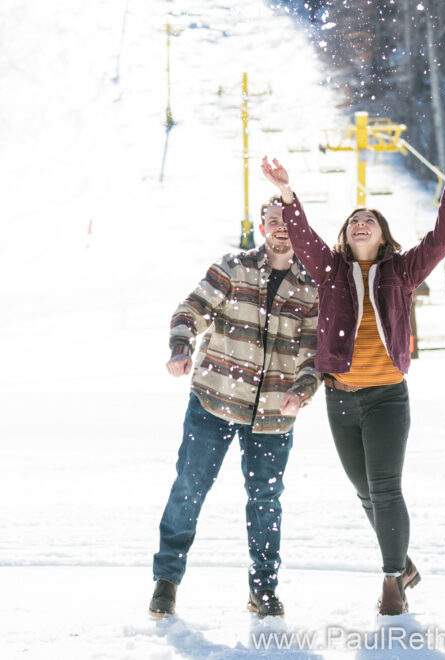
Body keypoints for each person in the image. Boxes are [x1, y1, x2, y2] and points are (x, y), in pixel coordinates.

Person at [261, 148, 445, 615]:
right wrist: (285, 191)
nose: (360, 223)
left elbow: (440, 242)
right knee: (365, 493)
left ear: (383, 236)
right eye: (354, 220)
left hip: (386, 397)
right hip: (340, 400)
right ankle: (403, 562)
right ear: (345, 235)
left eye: (370, 220)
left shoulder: (402, 271)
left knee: (385, 488)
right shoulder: (329, 270)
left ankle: (391, 582)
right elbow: (302, 237)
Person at [149, 196, 320, 619]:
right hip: (215, 400)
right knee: (189, 488)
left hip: (274, 416)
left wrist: (301, 390)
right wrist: (180, 345)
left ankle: (262, 589)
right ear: (262, 227)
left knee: (266, 500)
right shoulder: (234, 266)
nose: (281, 227)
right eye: (273, 221)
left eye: (288, 221)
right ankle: (166, 581)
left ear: (300, 225)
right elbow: (192, 308)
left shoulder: (312, 286)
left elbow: (315, 354)